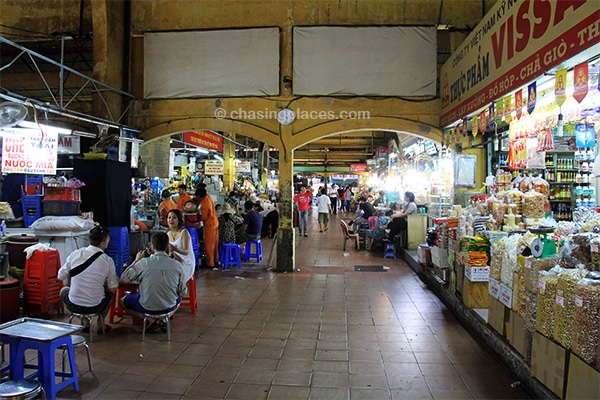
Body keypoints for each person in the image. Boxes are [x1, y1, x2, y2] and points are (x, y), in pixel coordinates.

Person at [120, 231, 187, 333]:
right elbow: (183, 292)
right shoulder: (177, 265)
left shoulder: (144, 263)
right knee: (178, 299)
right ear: (167, 246)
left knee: (122, 302)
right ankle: (162, 319)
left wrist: (136, 260)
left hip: (146, 306)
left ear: (153, 246)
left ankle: (151, 320)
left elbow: (123, 279)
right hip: (168, 306)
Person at [58, 225, 118, 333]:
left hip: (74, 304)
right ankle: (100, 322)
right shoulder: (108, 261)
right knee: (109, 295)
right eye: (108, 238)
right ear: (102, 243)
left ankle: (84, 321)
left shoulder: (75, 254)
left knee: (63, 290)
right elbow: (113, 289)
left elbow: (60, 276)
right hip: (96, 306)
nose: (109, 240)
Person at [166, 209, 195, 281]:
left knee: (172, 276)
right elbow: (170, 252)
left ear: (179, 220)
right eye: (169, 218)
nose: (171, 220)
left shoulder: (184, 232)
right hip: (176, 261)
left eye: (174, 218)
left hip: (186, 262)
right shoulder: (168, 234)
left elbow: (186, 252)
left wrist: (174, 249)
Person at [195, 187, 219, 268]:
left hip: (209, 225)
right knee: (215, 244)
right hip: (215, 222)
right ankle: (216, 260)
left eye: (197, 197)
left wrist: (198, 216)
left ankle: (210, 263)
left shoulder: (204, 205)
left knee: (209, 245)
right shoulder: (208, 197)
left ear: (200, 196)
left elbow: (203, 217)